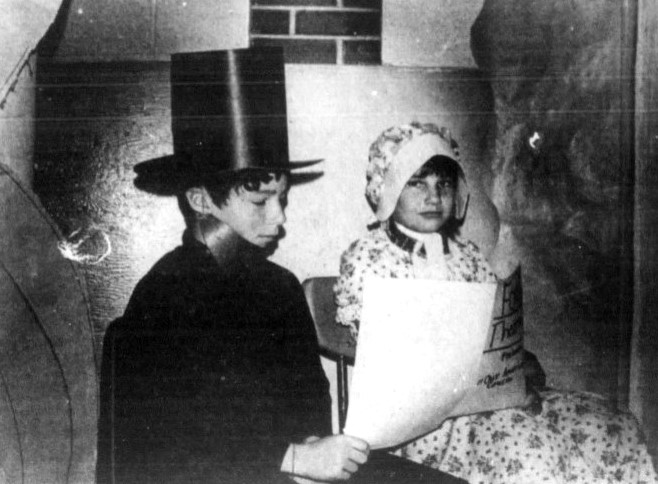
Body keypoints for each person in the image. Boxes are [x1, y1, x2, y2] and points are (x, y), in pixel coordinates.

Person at [97, 49, 464, 484]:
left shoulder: (280, 286)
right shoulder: (164, 296)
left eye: (282, 199)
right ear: (200, 200)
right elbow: (171, 442)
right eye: (259, 202)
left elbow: (311, 395)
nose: (279, 217)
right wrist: (291, 457)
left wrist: (311, 446)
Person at [334, 122, 658, 483]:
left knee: (610, 425)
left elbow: (495, 337)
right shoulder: (369, 258)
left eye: (443, 184)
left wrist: (515, 372)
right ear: (389, 187)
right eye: (417, 183)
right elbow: (384, 363)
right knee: (527, 447)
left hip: (489, 400)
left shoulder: (467, 256)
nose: (433, 196)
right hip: (426, 424)